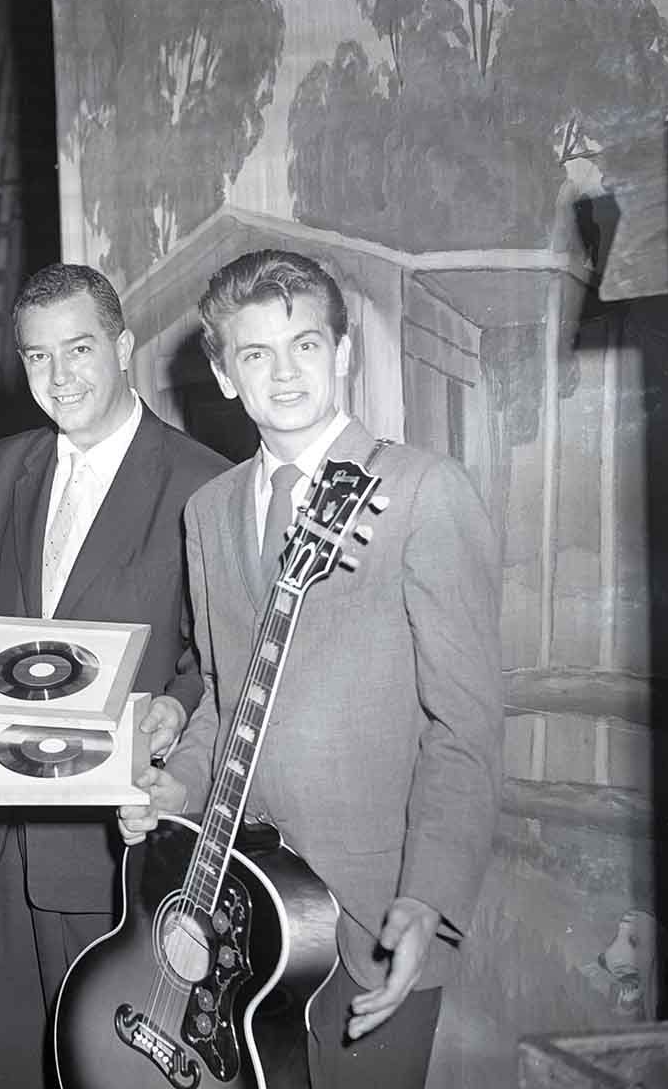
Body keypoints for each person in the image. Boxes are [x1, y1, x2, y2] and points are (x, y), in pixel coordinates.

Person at [118, 249, 503, 1088]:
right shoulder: (208, 510)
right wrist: (175, 787)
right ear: (224, 375)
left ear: (344, 352)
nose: (283, 372)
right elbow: (226, 691)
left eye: (305, 345)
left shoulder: (424, 492)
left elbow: (464, 726)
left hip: (374, 918)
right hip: (243, 918)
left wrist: (427, 901)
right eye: (255, 353)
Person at [0, 262, 229, 1089]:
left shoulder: (202, 482)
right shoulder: (4, 464)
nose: (58, 377)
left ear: (123, 347)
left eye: (79, 349)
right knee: (7, 1066)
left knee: (103, 1072)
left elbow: (216, 658)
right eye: (35, 357)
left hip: (111, 850)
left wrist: (175, 704)